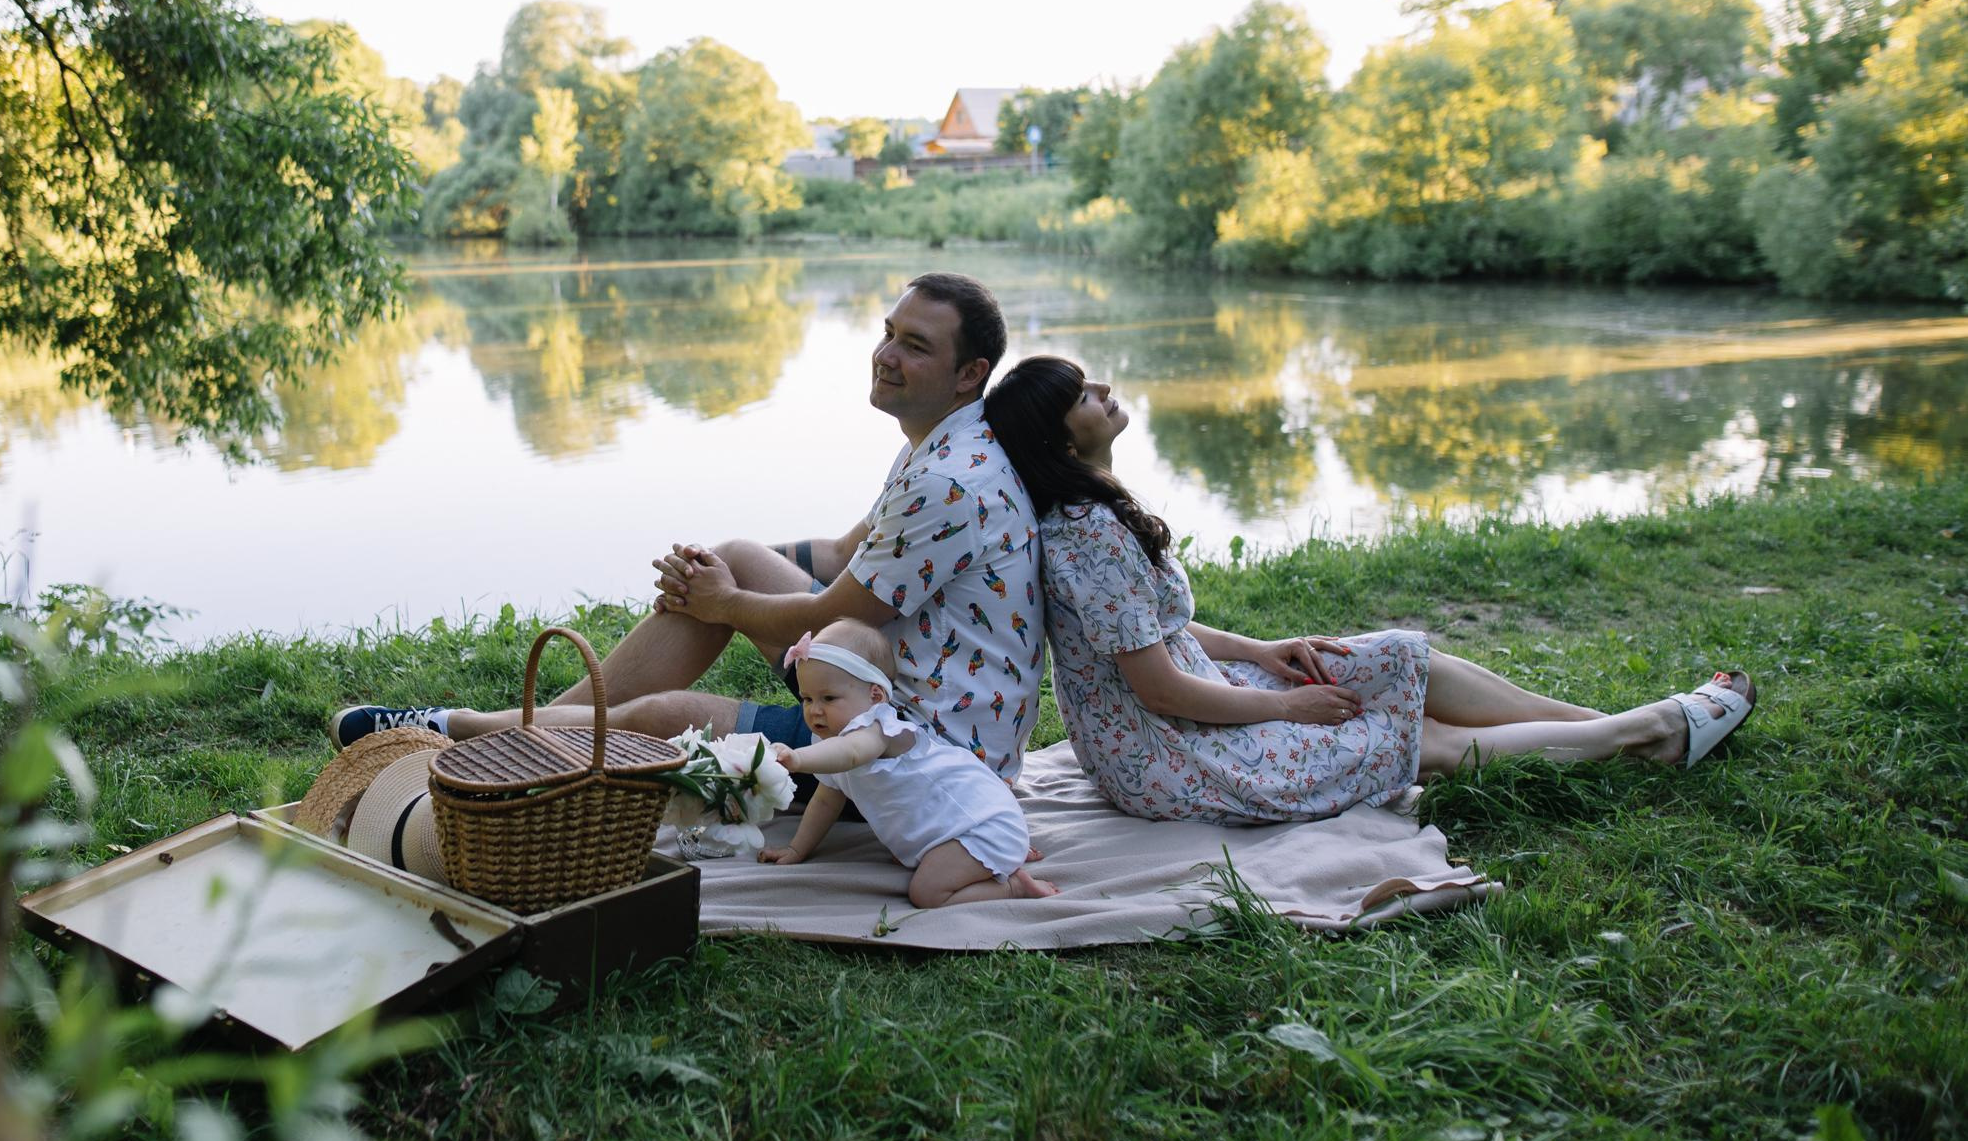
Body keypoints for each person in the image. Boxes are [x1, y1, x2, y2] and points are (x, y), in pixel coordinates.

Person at [979, 355, 1758, 824]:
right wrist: (1286, 706)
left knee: (1402, 659)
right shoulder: (1086, 529)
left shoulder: (1098, 505)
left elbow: (1157, 631)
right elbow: (1156, 686)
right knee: (1419, 741)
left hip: (1193, 700)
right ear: (1061, 438)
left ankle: (1612, 729)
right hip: (1168, 753)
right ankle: (1651, 731)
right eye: (1083, 392)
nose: (1104, 387)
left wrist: (1263, 651)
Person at [334, 273, 1047, 781]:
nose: (886, 354)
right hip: (885, 670)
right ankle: (525, 732)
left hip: (920, 744)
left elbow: (834, 609)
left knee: (662, 716)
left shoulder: (950, 480)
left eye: (915, 345)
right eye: (888, 332)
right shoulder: (943, 440)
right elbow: (839, 553)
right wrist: (714, 579)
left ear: (967, 373)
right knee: (734, 556)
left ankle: (451, 729)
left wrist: (722, 602)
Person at [757, 620, 1057, 906]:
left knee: (927, 893)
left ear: (875, 696)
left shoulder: (880, 729)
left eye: (828, 698)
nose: (814, 711)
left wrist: (797, 759)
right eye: (807, 699)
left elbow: (851, 753)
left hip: (983, 826)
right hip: (957, 828)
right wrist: (797, 848)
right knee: (919, 863)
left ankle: (1012, 886)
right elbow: (825, 802)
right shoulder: (828, 742)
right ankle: (990, 859)